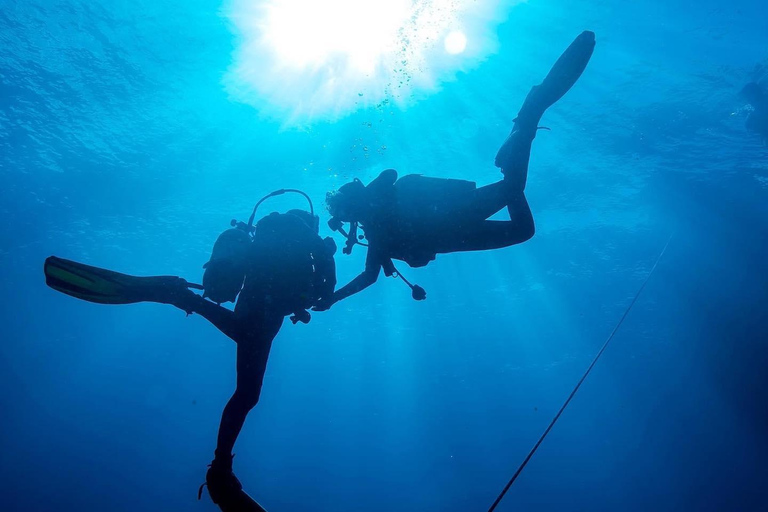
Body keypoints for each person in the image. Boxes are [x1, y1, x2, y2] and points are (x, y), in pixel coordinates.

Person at [44, 203, 336, 512]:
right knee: (247, 376)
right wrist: (328, 294)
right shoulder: (298, 229)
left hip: (260, 302)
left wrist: (304, 300)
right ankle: (182, 298)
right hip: (265, 303)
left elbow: (297, 280)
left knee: (247, 391)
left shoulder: (284, 239)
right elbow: (323, 260)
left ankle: (221, 465)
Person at [316, 31, 596, 310]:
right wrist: (334, 298)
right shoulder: (375, 232)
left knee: (512, 190)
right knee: (522, 228)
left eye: (340, 213)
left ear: (351, 205)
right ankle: (518, 138)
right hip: (452, 238)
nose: (341, 221)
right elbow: (369, 276)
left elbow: (389, 176)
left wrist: (334, 297)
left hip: (454, 215)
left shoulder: (378, 205)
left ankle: (526, 122)